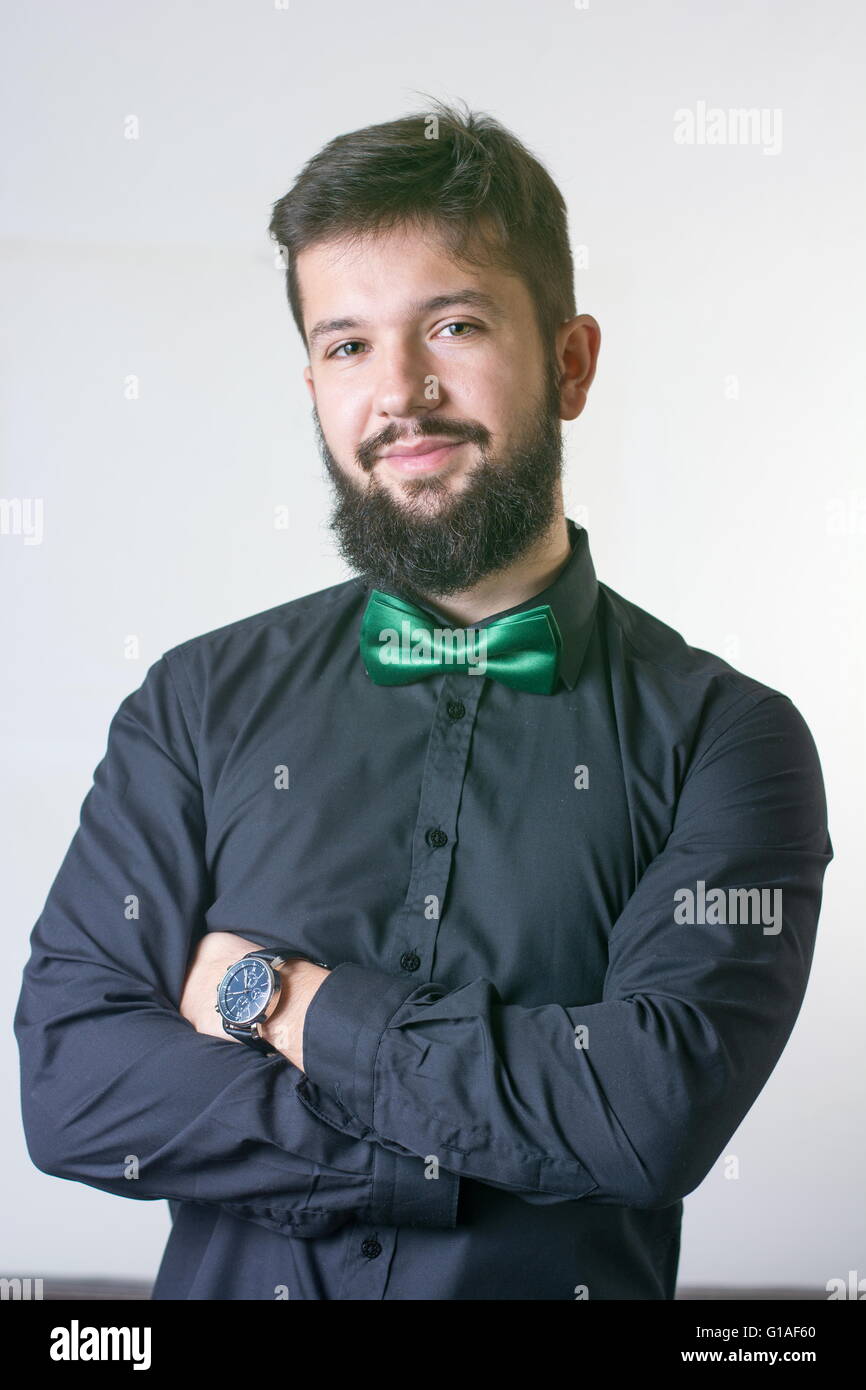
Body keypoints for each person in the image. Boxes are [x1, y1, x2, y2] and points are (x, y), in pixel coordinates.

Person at [14, 97, 833, 1301]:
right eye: (347, 344)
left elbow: (648, 1117)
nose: (399, 391)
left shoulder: (733, 742)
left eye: (450, 324)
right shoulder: (192, 702)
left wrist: (278, 998)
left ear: (569, 361)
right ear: (312, 385)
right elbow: (74, 1088)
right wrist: (478, 1139)